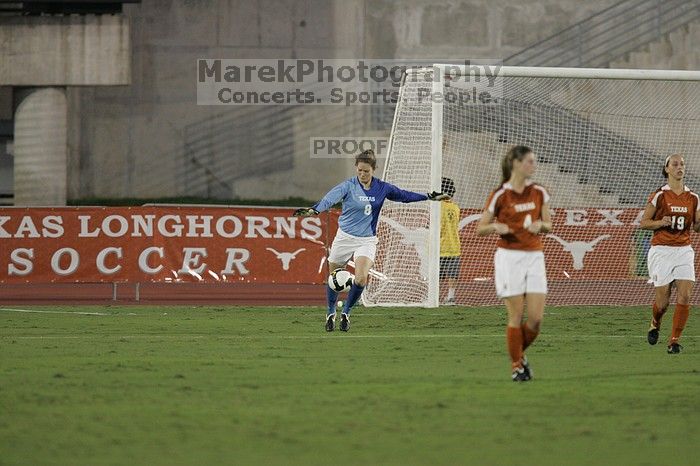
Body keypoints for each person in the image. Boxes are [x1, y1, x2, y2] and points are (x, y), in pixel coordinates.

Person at [294, 149, 449, 332]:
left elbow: (404, 196)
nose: (362, 174)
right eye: (359, 170)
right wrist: (315, 210)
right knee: (333, 279)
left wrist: (428, 196)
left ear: (373, 170)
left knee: (360, 279)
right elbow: (330, 198)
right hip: (344, 237)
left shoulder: (382, 188)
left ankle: (346, 313)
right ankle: (330, 312)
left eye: (366, 171)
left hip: (366, 240)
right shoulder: (348, 186)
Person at [476, 145, 552, 382]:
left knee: (536, 320)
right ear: (516, 164)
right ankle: (517, 366)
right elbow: (480, 228)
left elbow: (548, 225)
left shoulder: (539, 191)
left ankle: (518, 354)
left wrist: (541, 225)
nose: (533, 165)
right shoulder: (500, 194)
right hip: (509, 258)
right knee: (516, 317)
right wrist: (495, 227)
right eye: (530, 161)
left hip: (534, 256)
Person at [640, 153, 699, 354]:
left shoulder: (693, 197)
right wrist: (660, 222)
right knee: (663, 302)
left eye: (682, 163)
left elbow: (697, 227)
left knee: (685, 296)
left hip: (683, 250)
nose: (679, 167)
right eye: (675, 164)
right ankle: (655, 322)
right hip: (661, 251)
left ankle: (674, 341)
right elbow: (644, 223)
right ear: (667, 169)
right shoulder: (660, 195)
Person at [439, 177, 461, 305]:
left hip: (439, 247)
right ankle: (451, 297)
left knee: (437, 275)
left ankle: (434, 297)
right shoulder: (456, 208)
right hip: (454, 246)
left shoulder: (437, 207)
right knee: (452, 274)